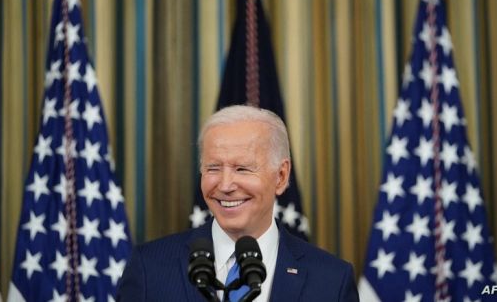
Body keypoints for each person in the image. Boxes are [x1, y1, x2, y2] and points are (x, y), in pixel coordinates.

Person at [116, 105, 359, 301]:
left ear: (281, 176)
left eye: (242, 169)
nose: (225, 185)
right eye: (213, 168)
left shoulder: (331, 281)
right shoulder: (150, 268)